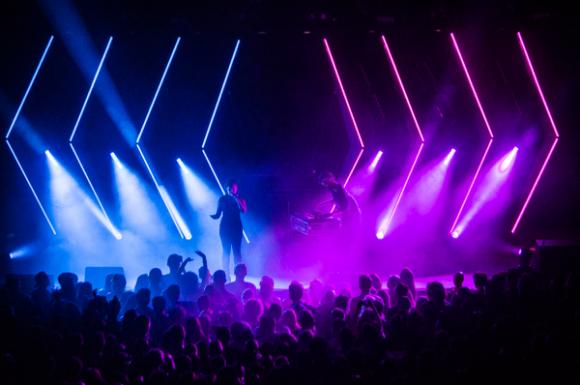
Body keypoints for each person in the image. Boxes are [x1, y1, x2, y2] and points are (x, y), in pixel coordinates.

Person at [211, 179, 247, 277]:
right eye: (229, 188)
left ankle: (238, 274)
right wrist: (213, 216)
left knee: (237, 251)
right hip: (225, 228)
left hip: (236, 228)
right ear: (226, 189)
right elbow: (218, 214)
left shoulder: (240, 200)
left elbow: (243, 210)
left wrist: (236, 198)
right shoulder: (222, 199)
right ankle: (226, 275)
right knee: (226, 251)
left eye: (233, 188)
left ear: (236, 189)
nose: (231, 189)